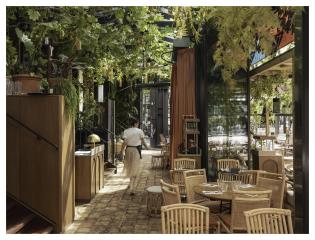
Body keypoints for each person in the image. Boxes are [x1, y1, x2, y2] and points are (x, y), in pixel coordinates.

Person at [120, 118, 149, 195]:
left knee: (129, 167)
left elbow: (125, 142)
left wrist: (121, 152)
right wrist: (147, 148)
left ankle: (131, 184)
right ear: (136, 123)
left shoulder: (126, 131)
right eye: (138, 123)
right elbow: (142, 141)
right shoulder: (139, 131)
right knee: (135, 168)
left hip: (128, 150)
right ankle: (132, 188)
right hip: (136, 151)